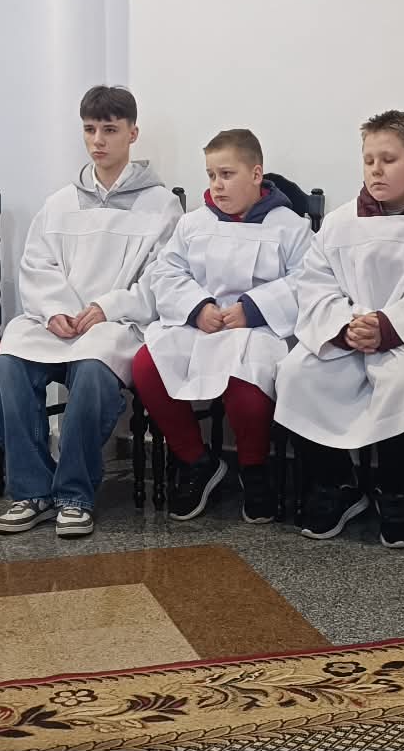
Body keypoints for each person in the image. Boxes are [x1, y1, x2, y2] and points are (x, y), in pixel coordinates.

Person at [274, 110, 404, 548]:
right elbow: (314, 285)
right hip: (352, 337)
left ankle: (393, 490)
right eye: (369, 159)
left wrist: (390, 327)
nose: (376, 169)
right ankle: (337, 484)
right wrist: (344, 328)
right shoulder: (341, 222)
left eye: (388, 160)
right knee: (296, 373)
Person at [0, 85, 179, 538]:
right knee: (8, 365)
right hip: (58, 322)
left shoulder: (161, 206)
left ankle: (74, 494)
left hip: (116, 323)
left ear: (132, 133)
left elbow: (161, 280)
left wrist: (106, 306)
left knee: (93, 372)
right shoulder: (59, 203)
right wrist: (54, 309)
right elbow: (36, 265)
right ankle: (32, 491)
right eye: (90, 129)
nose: (98, 140)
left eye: (109, 130)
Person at [131, 129, 314, 523]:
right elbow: (165, 272)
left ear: (256, 174)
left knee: (247, 380)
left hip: (259, 330)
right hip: (200, 327)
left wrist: (253, 308)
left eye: (227, 174)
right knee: (147, 365)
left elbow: (309, 280)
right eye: (211, 175)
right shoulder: (193, 223)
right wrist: (197, 307)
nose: (216, 184)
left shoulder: (290, 226)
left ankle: (254, 470)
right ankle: (197, 461)